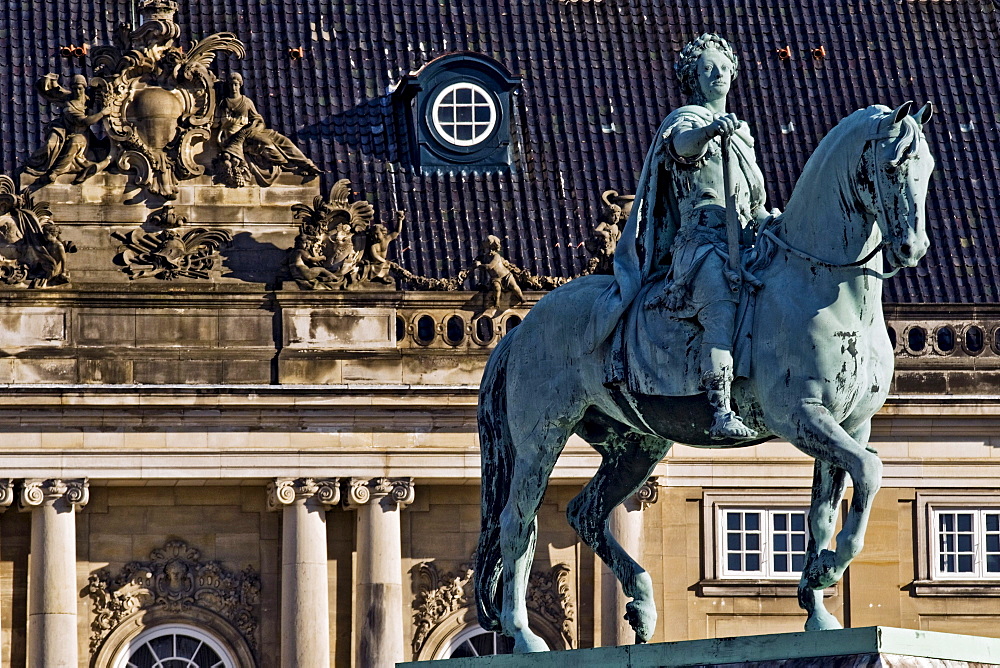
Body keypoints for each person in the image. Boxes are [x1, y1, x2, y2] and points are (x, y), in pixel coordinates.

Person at [588, 34, 775, 440]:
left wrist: (772, 222)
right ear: (693, 78)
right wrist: (709, 132)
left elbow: (755, 202)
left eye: (723, 66)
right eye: (707, 68)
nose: (717, 74)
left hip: (745, 240)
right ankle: (722, 408)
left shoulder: (743, 137)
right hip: (702, 243)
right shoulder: (686, 121)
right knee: (720, 308)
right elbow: (681, 150)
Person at [215, 73, 321, 184]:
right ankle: (290, 165)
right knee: (267, 144)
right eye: (231, 85)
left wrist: (255, 128)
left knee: (283, 140)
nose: (233, 88)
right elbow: (217, 123)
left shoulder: (246, 102)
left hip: (251, 131)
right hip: (235, 136)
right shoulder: (224, 103)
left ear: (240, 85)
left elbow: (258, 120)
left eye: (236, 84)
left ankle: (307, 164)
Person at [21, 74, 111, 188]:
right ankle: (55, 171)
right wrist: (103, 113)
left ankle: (56, 171)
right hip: (69, 132)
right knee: (59, 144)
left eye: (80, 88)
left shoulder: (88, 100)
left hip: (85, 136)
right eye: (75, 88)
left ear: (84, 88)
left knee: (77, 140)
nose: (78, 91)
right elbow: (84, 121)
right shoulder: (69, 105)